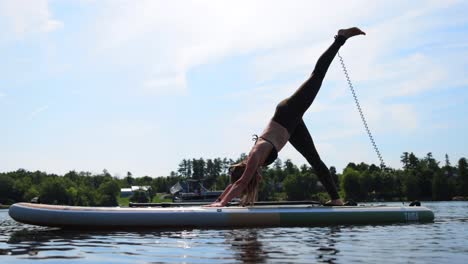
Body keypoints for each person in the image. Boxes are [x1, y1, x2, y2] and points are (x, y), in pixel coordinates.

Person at [207, 27, 366, 207]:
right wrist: (218, 201)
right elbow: (235, 183)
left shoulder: (254, 156)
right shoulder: (254, 161)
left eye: (253, 180)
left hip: (288, 112)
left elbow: (241, 182)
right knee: (314, 160)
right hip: (291, 127)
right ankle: (336, 199)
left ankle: (341, 37)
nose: (258, 180)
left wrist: (221, 204)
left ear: (248, 174)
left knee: (317, 75)